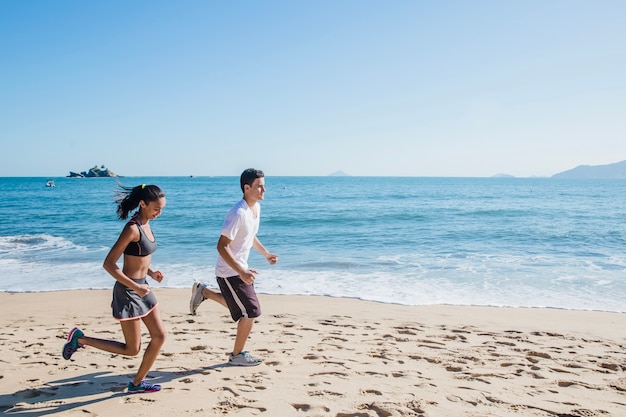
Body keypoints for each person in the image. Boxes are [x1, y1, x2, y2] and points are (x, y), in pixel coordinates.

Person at [62, 184, 167, 394]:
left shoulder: (146, 224)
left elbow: (138, 258)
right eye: (156, 208)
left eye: (162, 209)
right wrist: (135, 286)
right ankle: (80, 339)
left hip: (142, 288)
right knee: (132, 349)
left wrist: (152, 273)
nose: (159, 213)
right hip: (129, 292)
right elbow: (109, 264)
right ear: (143, 204)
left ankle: (136, 383)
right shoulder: (132, 229)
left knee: (159, 336)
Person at [190, 168, 278, 366]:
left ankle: (203, 291)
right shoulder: (238, 213)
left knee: (241, 308)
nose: (264, 190)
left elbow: (249, 235)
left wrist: (266, 254)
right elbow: (221, 246)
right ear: (246, 188)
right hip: (229, 272)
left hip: (239, 269)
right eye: (259, 187)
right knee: (251, 311)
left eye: (264, 186)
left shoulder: (255, 209)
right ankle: (237, 355)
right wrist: (241, 271)